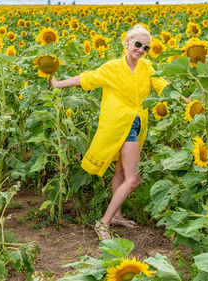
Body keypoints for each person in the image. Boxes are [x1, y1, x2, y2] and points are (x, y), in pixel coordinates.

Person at [51, 24, 169, 240]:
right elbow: (86, 79)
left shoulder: (147, 68)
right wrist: (58, 84)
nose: (141, 50)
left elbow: (164, 86)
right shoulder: (112, 68)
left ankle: (117, 216)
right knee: (134, 180)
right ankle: (103, 222)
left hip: (136, 125)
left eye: (146, 48)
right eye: (138, 44)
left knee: (121, 173)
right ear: (127, 42)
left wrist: (186, 99)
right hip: (118, 126)